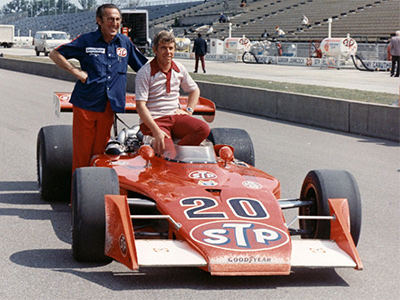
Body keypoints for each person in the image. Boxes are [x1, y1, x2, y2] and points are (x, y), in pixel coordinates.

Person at [49, 3, 147, 173]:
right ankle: (78, 195)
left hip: (109, 106)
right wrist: (76, 72)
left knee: (100, 153)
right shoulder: (86, 40)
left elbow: (145, 68)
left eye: (117, 20)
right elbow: (55, 54)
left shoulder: (125, 43)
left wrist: (172, 74)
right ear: (99, 21)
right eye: (110, 19)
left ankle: (95, 190)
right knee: (82, 153)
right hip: (86, 103)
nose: (114, 23)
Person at [135, 30, 210, 156]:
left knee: (203, 129)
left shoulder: (179, 68)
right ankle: (173, 154)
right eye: (163, 48)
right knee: (167, 152)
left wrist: (189, 111)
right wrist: (156, 130)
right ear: (155, 50)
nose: (168, 52)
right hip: (154, 119)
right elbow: (140, 106)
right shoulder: (144, 72)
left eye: (171, 48)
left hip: (175, 117)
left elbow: (194, 90)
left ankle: (178, 154)